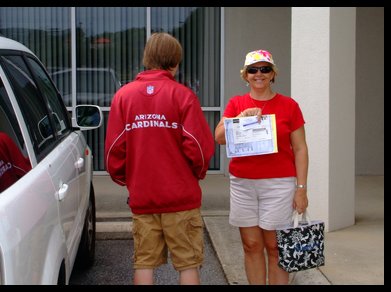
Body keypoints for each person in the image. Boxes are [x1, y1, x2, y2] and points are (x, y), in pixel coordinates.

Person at [105, 33, 215, 285]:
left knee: (144, 263)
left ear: (147, 59)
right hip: (181, 197)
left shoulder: (123, 96)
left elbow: (114, 150)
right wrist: (194, 174)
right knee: (188, 264)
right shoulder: (183, 95)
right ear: (175, 62)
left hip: (143, 197)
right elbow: (199, 148)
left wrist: (127, 178)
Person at [214, 50, 309, 285]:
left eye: (265, 69)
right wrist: (240, 118)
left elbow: (300, 149)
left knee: (275, 247)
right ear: (245, 75)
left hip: (279, 184)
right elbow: (218, 137)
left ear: (273, 73)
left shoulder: (289, 105)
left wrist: (302, 188)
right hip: (243, 183)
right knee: (251, 245)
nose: (259, 74)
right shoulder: (237, 103)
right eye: (253, 70)